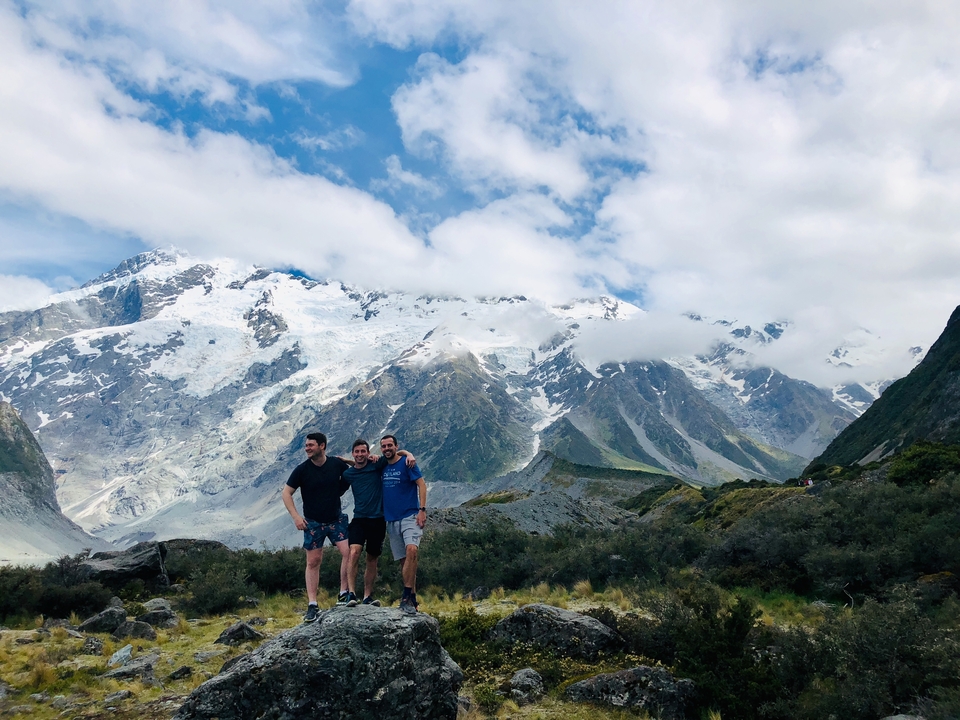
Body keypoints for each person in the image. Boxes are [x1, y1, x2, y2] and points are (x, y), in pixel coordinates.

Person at [282, 432, 352, 623]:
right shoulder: (302, 470)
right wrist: (296, 517)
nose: (307, 448)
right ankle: (312, 604)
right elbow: (286, 493)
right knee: (313, 561)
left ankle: (344, 593)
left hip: (336, 519)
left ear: (322, 446)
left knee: (349, 553)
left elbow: (354, 472)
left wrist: (347, 460)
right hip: (313, 522)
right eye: (306, 446)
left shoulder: (336, 464)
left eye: (311, 445)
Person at [342, 439, 416, 607]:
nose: (360, 454)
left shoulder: (376, 465)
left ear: (368, 453)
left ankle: (367, 596)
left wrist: (409, 454)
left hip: (378, 519)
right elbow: (338, 488)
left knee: (372, 558)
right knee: (354, 551)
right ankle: (351, 594)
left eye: (363, 451)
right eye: (357, 452)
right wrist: (345, 462)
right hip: (359, 518)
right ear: (353, 453)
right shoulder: (348, 474)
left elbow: (395, 454)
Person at [380, 434, 427, 614]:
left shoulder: (407, 463)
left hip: (411, 515)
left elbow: (421, 485)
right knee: (404, 562)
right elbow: (360, 463)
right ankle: (412, 599)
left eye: (389, 445)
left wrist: (422, 509)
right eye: (383, 446)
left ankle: (406, 596)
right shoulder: (382, 465)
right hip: (391, 520)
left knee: (412, 550)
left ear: (396, 446)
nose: (386, 449)